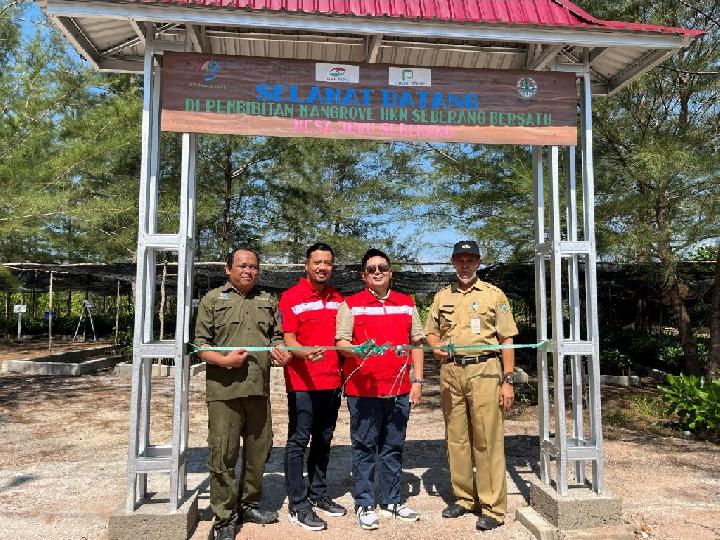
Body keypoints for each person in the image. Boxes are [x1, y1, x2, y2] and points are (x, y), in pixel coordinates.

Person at [194, 246, 292, 540]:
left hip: (257, 391)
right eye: (243, 266)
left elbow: (277, 337)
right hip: (224, 392)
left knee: (258, 452)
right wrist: (224, 361)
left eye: (254, 267)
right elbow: (200, 345)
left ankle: (249, 504)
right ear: (228, 269)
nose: (249, 271)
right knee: (223, 455)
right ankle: (224, 518)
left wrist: (281, 352)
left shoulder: (267, 300)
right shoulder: (213, 300)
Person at [424, 240, 518, 532]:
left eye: (470, 259)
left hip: (485, 371)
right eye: (460, 259)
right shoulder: (442, 296)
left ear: (479, 262)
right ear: (453, 262)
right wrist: (436, 346)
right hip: (451, 372)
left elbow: (507, 339)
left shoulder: (493, 295)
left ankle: (492, 507)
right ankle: (464, 498)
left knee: (487, 440)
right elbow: (430, 332)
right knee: (457, 438)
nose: (465, 264)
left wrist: (508, 380)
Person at [335, 248, 424, 531]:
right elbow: (340, 342)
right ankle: (364, 502)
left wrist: (418, 381)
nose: (377, 272)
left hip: (398, 390)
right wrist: (356, 350)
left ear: (390, 273)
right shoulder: (351, 305)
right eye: (371, 268)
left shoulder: (407, 303)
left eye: (382, 268)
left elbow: (417, 343)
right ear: (363, 275)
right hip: (363, 393)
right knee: (364, 446)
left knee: (393, 447)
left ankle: (392, 499)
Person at [278, 242, 346, 531]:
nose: (322, 267)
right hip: (303, 382)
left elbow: (345, 338)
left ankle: (318, 494)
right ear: (306, 265)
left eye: (327, 263)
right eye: (317, 262)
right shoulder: (291, 297)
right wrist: (304, 353)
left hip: (332, 381)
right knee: (298, 440)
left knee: (324, 438)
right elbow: (289, 339)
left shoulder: (338, 298)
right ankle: (298, 503)